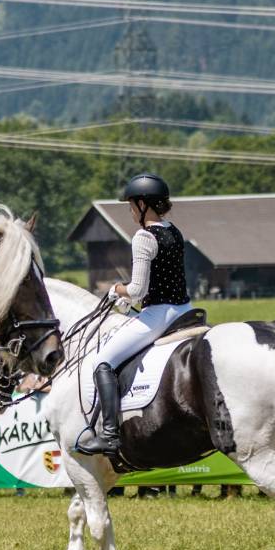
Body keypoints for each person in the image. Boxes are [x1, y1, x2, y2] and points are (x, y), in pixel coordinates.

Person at [75, 173, 193, 458]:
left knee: (103, 361)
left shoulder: (143, 236)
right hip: (186, 310)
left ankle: (110, 435)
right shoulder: (173, 230)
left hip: (159, 314)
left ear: (142, 204)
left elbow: (138, 290)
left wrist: (116, 289)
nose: (130, 212)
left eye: (131, 206)